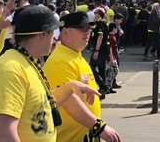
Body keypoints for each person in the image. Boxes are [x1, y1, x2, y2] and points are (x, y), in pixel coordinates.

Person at [0, 5, 92, 142]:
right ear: (43, 34)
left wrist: (69, 87)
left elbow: (36, 105)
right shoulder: (9, 69)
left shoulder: (26, 62)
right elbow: (4, 134)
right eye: (53, 33)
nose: (55, 39)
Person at [43, 11, 121, 142]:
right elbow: (69, 100)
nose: (88, 32)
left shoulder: (76, 56)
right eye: (82, 28)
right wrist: (99, 127)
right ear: (65, 31)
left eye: (89, 28)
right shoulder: (60, 60)